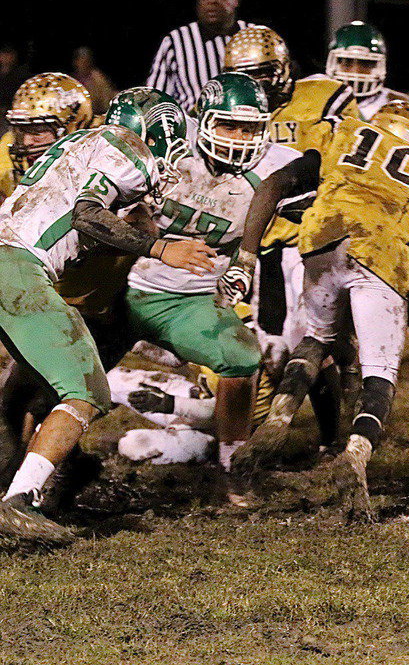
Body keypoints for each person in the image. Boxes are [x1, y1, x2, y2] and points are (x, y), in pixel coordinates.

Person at [230, 101, 409, 519]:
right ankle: (355, 454)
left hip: (323, 240)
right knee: (380, 371)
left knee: (316, 338)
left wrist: (246, 256)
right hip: (382, 253)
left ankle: (277, 420)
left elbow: (275, 184)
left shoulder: (341, 133)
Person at [0, 89, 214, 545]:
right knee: (87, 390)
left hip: (10, 259)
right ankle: (18, 501)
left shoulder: (78, 143)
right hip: (15, 267)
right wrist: (160, 247)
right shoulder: (129, 150)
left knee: (20, 393)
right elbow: (86, 214)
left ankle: (26, 485)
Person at [123, 73, 301, 480]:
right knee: (75, 375)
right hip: (126, 288)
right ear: (201, 120)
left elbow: (314, 181)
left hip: (197, 302)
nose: (239, 138)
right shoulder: (167, 145)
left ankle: (233, 468)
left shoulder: (274, 165)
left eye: (249, 128)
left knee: (243, 357)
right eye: (228, 125)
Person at [222, 25, 361, 450]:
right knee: (278, 351)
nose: (254, 85)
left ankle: (336, 436)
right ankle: (312, 434)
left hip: (312, 242)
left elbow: (354, 156)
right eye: (243, 76)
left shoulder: (323, 97)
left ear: (282, 69)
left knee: (314, 342)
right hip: (265, 245)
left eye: (262, 74)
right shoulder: (232, 107)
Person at [146, 0, 248, 111]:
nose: (211, 0)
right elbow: (154, 99)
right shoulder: (176, 41)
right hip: (193, 123)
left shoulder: (254, 35)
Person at [0, 72, 93, 202]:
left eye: (37, 132)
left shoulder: (100, 160)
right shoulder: (9, 144)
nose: (26, 141)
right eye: (22, 131)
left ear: (73, 127)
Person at [325, 21, 409, 120]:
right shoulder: (317, 97)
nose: (356, 70)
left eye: (365, 63)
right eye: (347, 62)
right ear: (335, 63)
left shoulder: (396, 103)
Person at [71, 47, 116, 114]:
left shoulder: (98, 79)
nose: (84, 64)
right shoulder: (71, 80)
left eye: (86, 61)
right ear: (75, 62)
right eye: (81, 60)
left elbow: (106, 102)